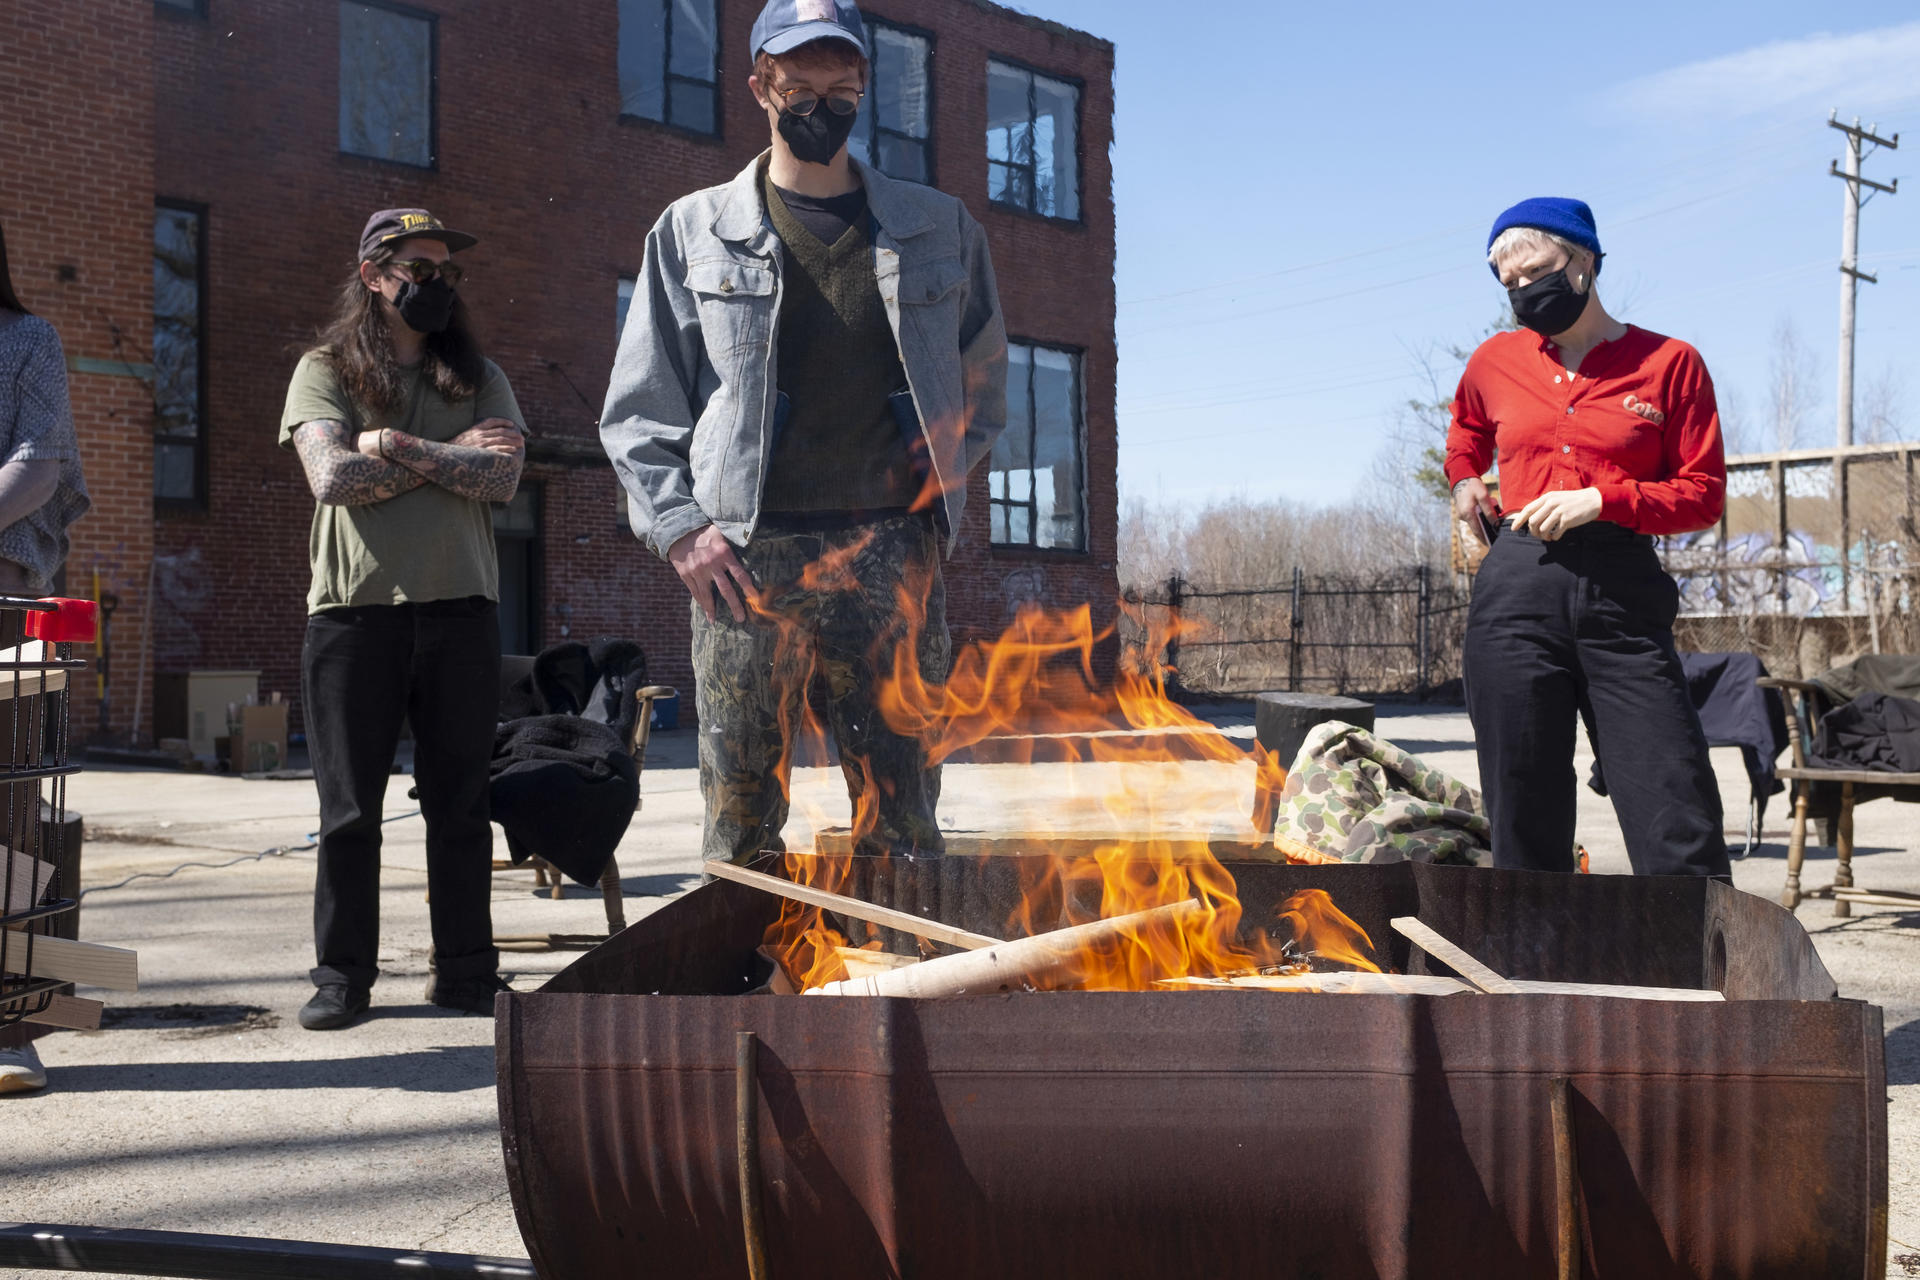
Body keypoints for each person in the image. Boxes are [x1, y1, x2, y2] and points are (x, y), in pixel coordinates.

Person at [601, 0, 1007, 865]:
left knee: (901, 814)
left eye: (842, 86)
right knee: (742, 815)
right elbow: (639, 412)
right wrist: (682, 533)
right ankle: (752, 990)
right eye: (799, 85)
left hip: (890, 551)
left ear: (863, 90)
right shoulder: (691, 231)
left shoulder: (941, 230)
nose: (822, 104)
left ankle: (896, 982)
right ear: (760, 87)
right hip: (746, 561)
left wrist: (929, 512)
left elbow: (983, 390)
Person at [282, 209, 526, 1030]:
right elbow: (332, 478)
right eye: (417, 268)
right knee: (349, 810)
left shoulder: (480, 375)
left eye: (445, 271)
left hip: (461, 613)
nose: (435, 283)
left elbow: (502, 481)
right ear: (373, 277)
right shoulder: (324, 371)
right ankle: (342, 979)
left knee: (460, 805)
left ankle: (465, 975)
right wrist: (451, 458)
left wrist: (391, 444)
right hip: (354, 619)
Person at [1447, 197, 1730, 878]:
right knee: (1522, 803)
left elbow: (1703, 495)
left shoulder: (1670, 363)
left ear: (1585, 260)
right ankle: (1533, 971)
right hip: (1517, 584)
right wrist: (1465, 484)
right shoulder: (1494, 362)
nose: (1523, 291)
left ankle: (1705, 966)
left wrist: (1603, 499)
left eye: (1537, 271)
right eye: (1508, 283)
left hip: (1621, 592)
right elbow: (1465, 438)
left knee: (1674, 798)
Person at [0, 219, 92, 1094]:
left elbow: (39, 461)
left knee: (6, 804)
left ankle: (10, 1016)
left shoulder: (27, 339)